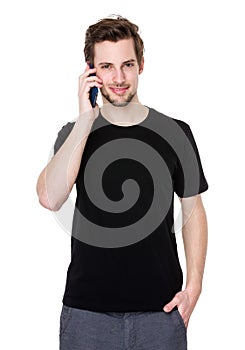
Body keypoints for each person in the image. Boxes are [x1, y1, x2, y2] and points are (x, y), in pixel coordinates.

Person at [36, 15, 208, 350]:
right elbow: (49, 198)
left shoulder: (176, 132)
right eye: (107, 67)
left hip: (161, 312)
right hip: (86, 314)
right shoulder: (75, 134)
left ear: (141, 65)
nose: (118, 77)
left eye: (127, 65)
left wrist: (195, 286)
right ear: (92, 71)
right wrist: (86, 117)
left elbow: (194, 211)